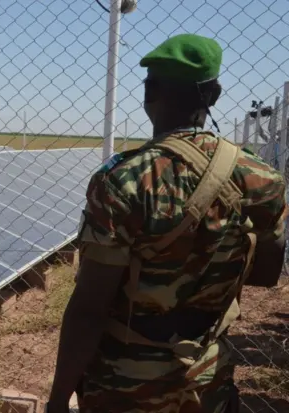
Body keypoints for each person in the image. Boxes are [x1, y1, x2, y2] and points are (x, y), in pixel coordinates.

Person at [46, 33, 287, 413]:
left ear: (149, 94)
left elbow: (90, 306)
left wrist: (58, 398)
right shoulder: (262, 179)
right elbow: (266, 272)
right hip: (207, 380)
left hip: (123, 385)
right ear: (214, 96)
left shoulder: (123, 181)